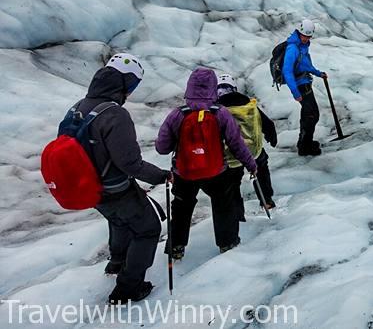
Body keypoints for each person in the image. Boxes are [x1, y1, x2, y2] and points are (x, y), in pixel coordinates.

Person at [78, 53, 170, 304]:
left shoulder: (79, 107)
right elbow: (130, 163)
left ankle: (117, 262)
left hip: (89, 188)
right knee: (148, 229)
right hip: (115, 188)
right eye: (132, 86)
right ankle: (128, 288)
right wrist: (161, 176)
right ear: (124, 84)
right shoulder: (114, 114)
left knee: (118, 221)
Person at [156, 67, 257, 257]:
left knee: (181, 208)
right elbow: (236, 143)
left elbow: (162, 148)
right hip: (216, 171)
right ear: (213, 88)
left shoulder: (178, 114)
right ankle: (227, 243)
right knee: (223, 204)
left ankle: (176, 247)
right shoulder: (221, 113)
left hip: (184, 173)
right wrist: (251, 164)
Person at [215, 73, 277, 214]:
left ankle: (237, 212)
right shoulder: (248, 104)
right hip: (252, 150)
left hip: (229, 154)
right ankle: (266, 200)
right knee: (261, 166)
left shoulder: (216, 110)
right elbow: (267, 123)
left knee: (232, 181)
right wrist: (271, 137)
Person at [283, 18, 327, 156]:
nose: (305, 39)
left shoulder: (303, 45)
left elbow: (306, 65)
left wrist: (318, 73)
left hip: (305, 82)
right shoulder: (292, 48)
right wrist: (295, 92)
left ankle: (303, 143)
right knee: (312, 115)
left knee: (308, 114)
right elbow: (287, 71)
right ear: (299, 32)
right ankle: (305, 147)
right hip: (300, 86)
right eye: (304, 36)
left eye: (308, 36)